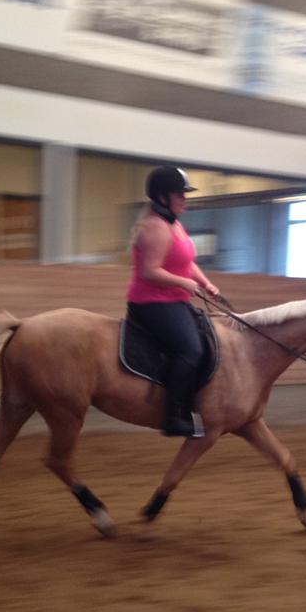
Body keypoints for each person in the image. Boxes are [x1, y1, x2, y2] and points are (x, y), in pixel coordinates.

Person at [126, 165, 221, 438]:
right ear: (162, 197)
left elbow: (186, 262)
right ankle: (174, 416)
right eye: (180, 195)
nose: (185, 200)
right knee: (190, 349)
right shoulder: (154, 227)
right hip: (151, 302)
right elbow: (149, 271)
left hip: (174, 301)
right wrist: (184, 283)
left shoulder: (174, 225)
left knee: (207, 339)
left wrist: (206, 283)